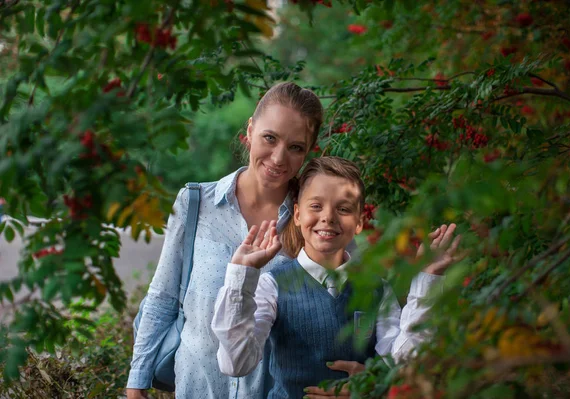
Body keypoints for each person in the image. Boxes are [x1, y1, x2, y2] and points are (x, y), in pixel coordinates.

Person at [126, 82, 324, 399]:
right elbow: (162, 298)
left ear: (307, 152)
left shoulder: (315, 222)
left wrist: (354, 378)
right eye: (270, 138)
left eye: (295, 147)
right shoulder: (195, 203)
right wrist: (136, 385)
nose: (278, 157)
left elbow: (342, 306)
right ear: (250, 130)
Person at [211, 156, 461, 399]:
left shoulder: (377, 290)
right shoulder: (272, 286)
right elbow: (236, 364)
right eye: (316, 206)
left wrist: (427, 279)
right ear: (297, 214)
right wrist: (240, 276)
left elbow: (405, 366)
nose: (328, 217)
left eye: (343, 208)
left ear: (360, 222)